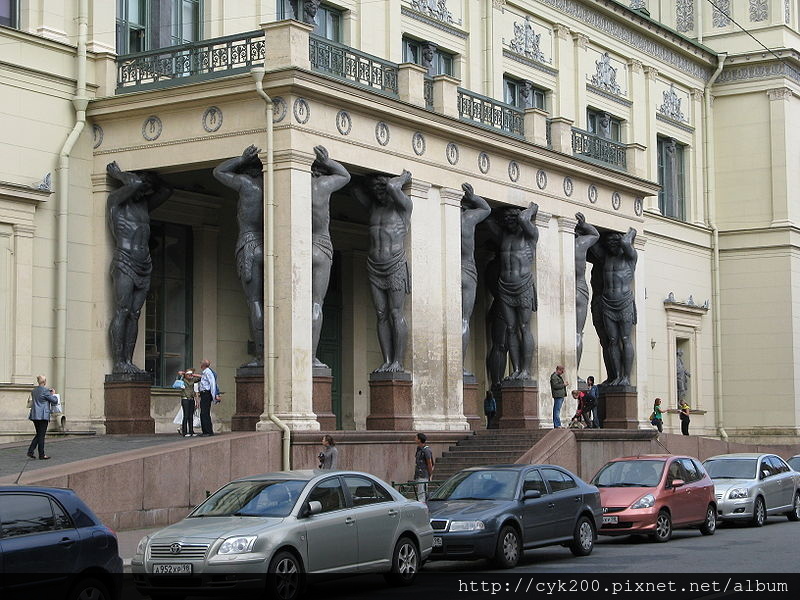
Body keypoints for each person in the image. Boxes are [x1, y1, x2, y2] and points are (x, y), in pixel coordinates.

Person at [106, 162, 172, 374]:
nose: (142, 189)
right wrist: (121, 174)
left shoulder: (143, 205)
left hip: (144, 264)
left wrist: (152, 178)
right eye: (141, 184)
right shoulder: (115, 201)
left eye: (145, 186)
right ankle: (119, 362)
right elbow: (133, 184)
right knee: (123, 310)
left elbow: (167, 191)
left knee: (135, 313)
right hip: (124, 260)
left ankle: (129, 361)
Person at [352, 170, 413, 373]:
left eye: (382, 187)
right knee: (381, 314)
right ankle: (387, 360)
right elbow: (354, 186)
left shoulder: (403, 207)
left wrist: (402, 177)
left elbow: (394, 188)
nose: (379, 192)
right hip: (374, 265)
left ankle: (399, 362)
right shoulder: (373, 208)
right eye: (375, 189)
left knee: (396, 313)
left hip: (395, 264)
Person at [213, 145, 265, 367]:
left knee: (254, 301)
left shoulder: (246, 185)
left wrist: (241, 158)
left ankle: (261, 355)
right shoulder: (274, 187)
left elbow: (219, 172)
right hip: (272, 245)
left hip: (249, 244)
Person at [484, 203, 539, 380]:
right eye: (505, 219)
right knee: (510, 329)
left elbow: (524, 218)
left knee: (523, 327)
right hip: (505, 287)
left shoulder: (530, 236)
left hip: (523, 285)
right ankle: (516, 369)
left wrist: (530, 209)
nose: (508, 222)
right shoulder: (504, 237)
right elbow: (488, 217)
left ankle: (526, 370)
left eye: (511, 218)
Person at [311, 146, 351, 368]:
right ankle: (312, 357)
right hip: (322, 246)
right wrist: (328, 161)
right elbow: (345, 175)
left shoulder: (296, 185)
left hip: (299, 244)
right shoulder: (323, 185)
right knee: (316, 304)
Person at [589, 228, 638, 386]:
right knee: (612, 340)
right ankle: (616, 376)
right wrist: (584, 226)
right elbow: (594, 242)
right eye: (608, 242)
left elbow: (625, 241)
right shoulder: (606, 258)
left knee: (625, 339)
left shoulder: (630, 258)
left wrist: (630, 233)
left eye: (614, 241)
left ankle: (626, 377)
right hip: (607, 303)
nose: (611, 245)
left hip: (624, 302)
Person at [460, 183, 490, 375]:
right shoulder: (468, 218)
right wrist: (473, 197)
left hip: (446, 268)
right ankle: (459, 366)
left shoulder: (443, 217)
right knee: (463, 320)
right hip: (467, 270)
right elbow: (486, 208)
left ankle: (452, 364)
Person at [574, 213, 600, 373]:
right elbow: (595, 234)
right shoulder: (580, 244)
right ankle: (574, 373)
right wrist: (584, 225)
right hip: (579, 288)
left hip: (560, 286)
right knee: (577, 333)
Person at [27, 375, 58, 460]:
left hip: (34, 415)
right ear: (44, 382)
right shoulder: (45, 391)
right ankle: (41, 454)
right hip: (42, 416)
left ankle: (32, 451)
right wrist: (53, 394)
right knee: (41, 435)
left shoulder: (34, 391)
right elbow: (55, 401)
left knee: (39, 434)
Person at [198, 359, 217, 436]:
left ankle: (208, 431)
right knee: (203, 412)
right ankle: (205, 431)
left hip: (206, 393)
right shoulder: (205, 372)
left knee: (205, 412)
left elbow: (212, 383)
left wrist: (213, 395)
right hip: (203, 393)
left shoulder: (208, 372)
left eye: (201, 363)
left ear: (203, 365)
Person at [414, 432, 434, 502]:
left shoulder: (426, 450)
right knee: (420, 492)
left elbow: (429, 463)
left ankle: (422, 507)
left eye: (416, 437)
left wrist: (430, 474)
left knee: (422, 494)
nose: (415, 439)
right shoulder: (419, 449)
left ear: (419, 439)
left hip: (423, 475)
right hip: (418, 474)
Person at [179, 369, 199, 437]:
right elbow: (178, 378)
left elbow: (201, 378)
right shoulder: (183, 380)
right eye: (188, 374)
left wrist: (193, 374)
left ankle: (191, 431)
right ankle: (184, 432)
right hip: (185, 399)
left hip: (191, 399)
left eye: (191, 374)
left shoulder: (193, 380)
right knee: (186, 415)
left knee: (191, 416)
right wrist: (182, 374)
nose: (190, 375)